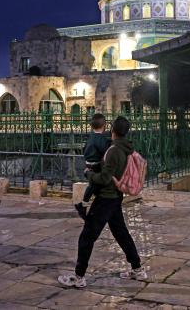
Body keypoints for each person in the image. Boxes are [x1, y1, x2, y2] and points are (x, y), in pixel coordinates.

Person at [58, 116, 146, 288]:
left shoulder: (113, 150)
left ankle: (79, 276)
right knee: (121, 234)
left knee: (86, 237)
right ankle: (137, 269)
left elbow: (105, 178)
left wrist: (88, 174)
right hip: (114, 198)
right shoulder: (124, 147)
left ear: (112, 130)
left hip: (105, 198)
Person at [74, 113, 111, 220]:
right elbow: (105, 151)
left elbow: (85, 149)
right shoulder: (101, 139)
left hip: (88, 163)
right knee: (95, 185)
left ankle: (85, 206)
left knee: (94, 186)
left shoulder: (91, 137)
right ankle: (83, 205)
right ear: (104, 125)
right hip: (96, 166)